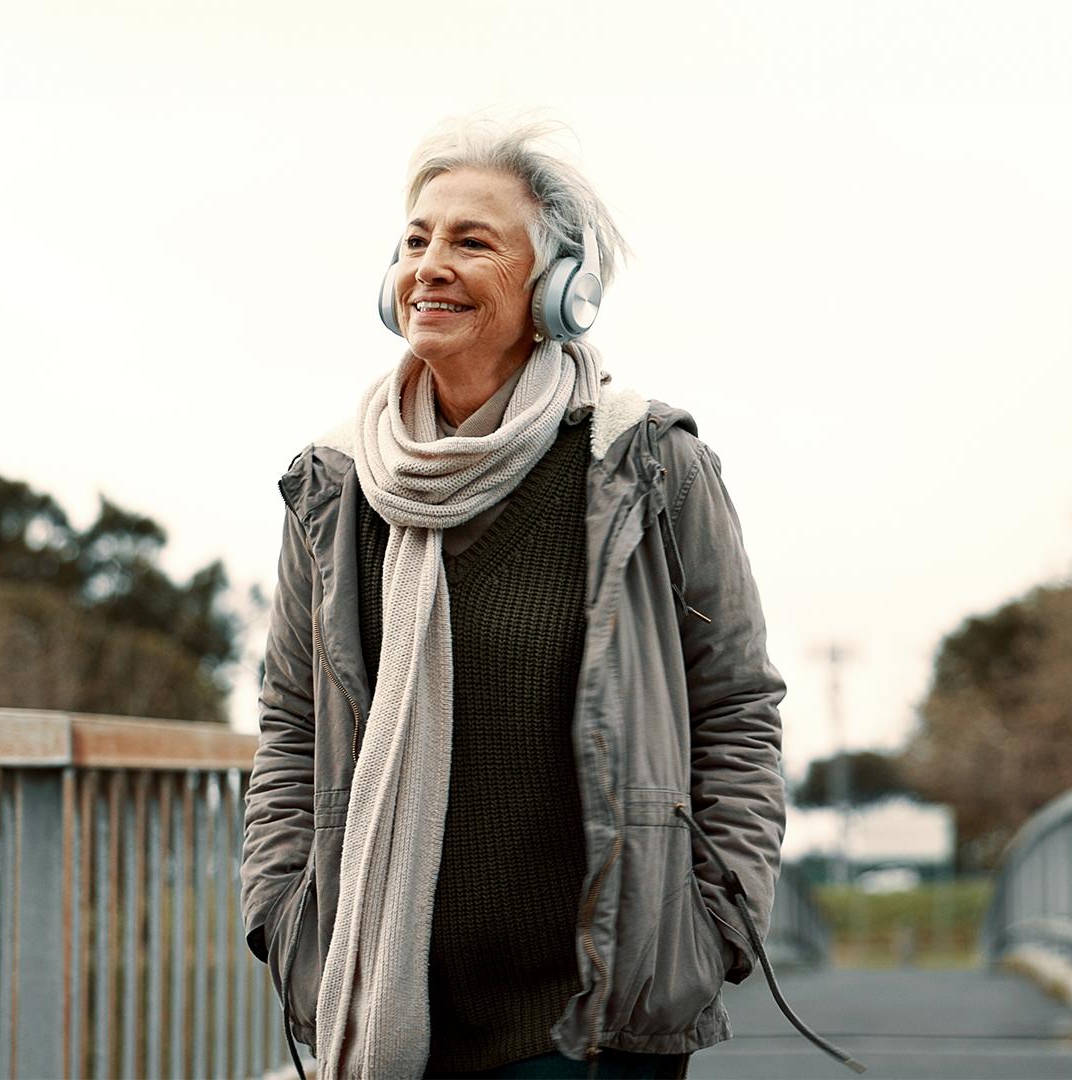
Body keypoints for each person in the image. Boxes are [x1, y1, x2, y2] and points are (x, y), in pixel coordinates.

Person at [240, 118, 786, 1080]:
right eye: (417, 240)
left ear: (557, 291)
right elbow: (290, 722)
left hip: (588, 1017)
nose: (431, 266)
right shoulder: (334, 487)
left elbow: (736, 706)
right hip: (386, 1007)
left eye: (472, 241)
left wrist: (717, 918)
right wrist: (284, 914)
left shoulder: (648, 466)